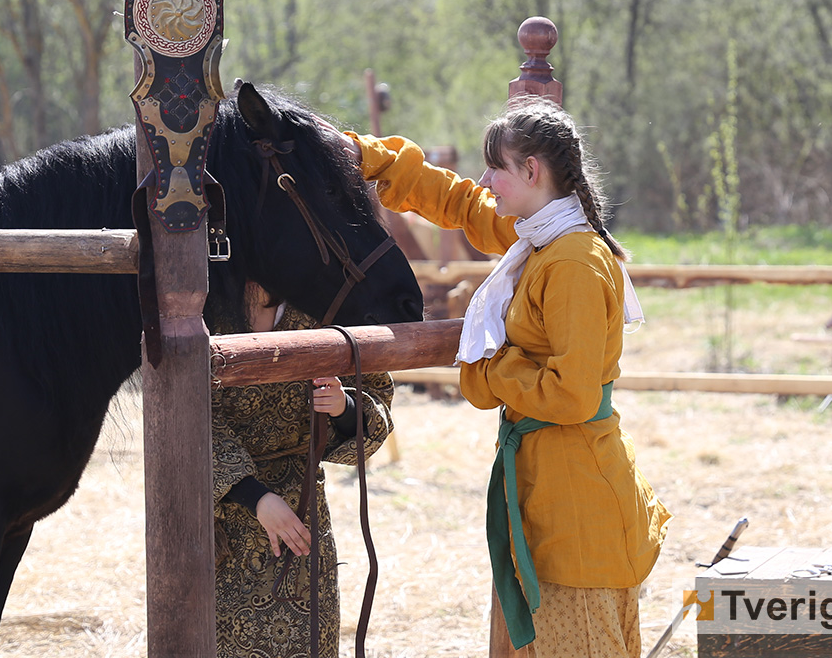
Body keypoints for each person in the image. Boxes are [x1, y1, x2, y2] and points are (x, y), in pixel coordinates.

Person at [332, 99, 670, 658]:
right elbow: (461, 201)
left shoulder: (571, 262)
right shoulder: (539, 240)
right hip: (547, 489)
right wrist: (369, 157)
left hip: (578, 505)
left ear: (532, 172)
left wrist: (490, 364)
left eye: (498, 168)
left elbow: (573, 393)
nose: (485, 179)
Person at [211, 281, 395, 658]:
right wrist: (256, 498)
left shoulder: (323, 311)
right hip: (216, 524)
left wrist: (343, 407)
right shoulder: (200, 316)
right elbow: (181, 416)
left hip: (303, 513)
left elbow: (377, 394)